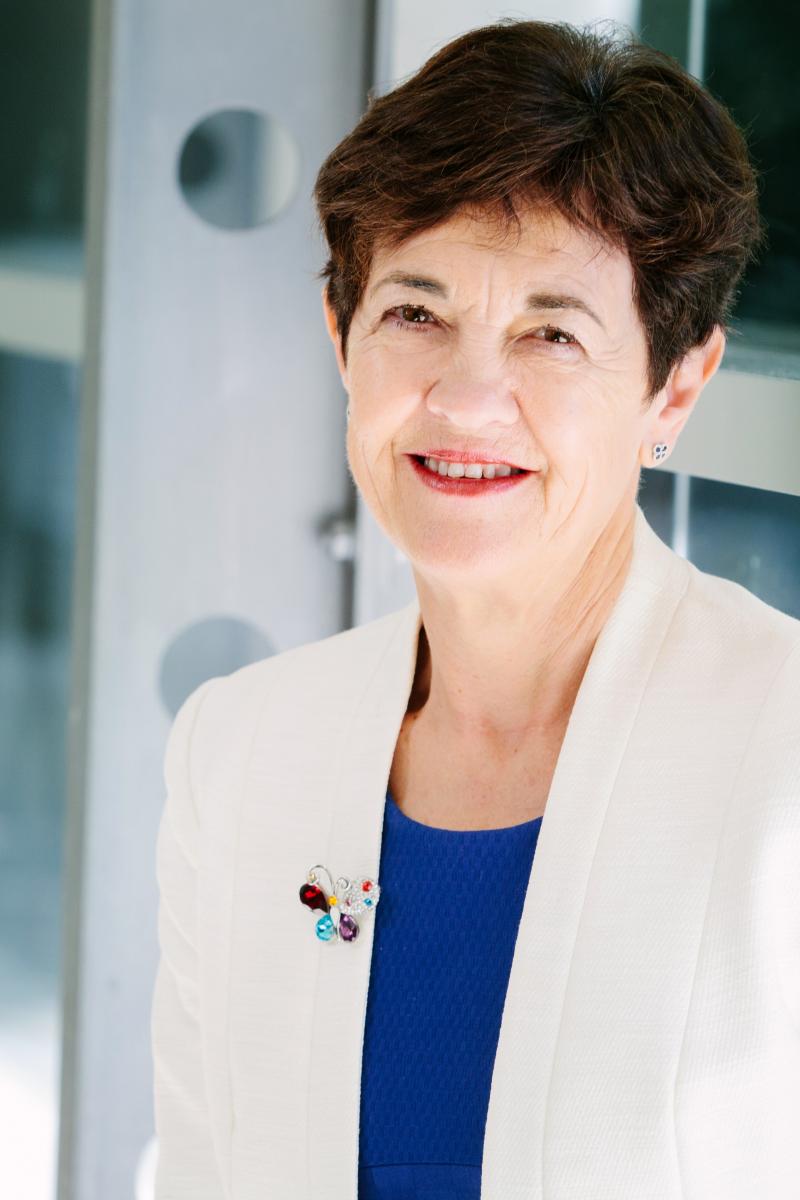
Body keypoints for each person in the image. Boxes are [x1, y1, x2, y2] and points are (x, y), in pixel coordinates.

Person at [151, 18, 800, 1200]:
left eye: (551, 332)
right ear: (341, 340)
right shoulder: (237, 752)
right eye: (415, 313)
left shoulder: (783, 754)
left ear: (675, 387)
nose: (465, 396)